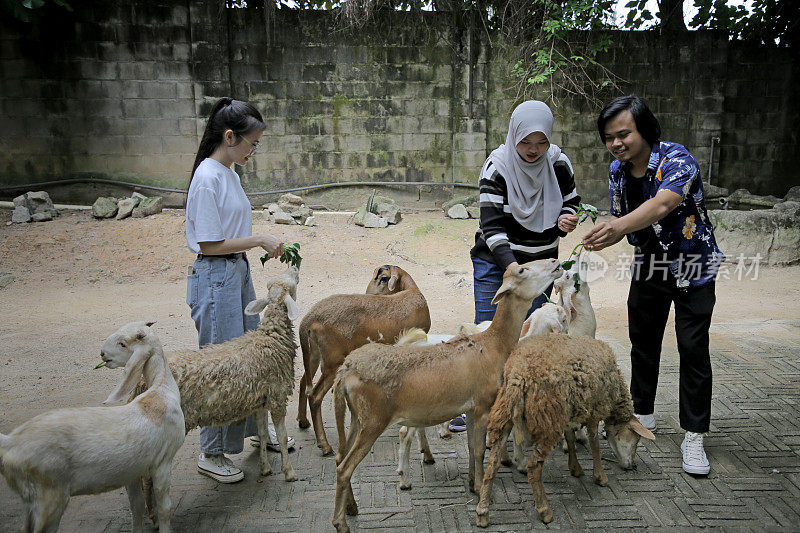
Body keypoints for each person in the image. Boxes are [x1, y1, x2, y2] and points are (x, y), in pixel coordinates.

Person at [583, 94, 723, 476]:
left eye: (623, 134)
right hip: (650, 264)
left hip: (694, 263)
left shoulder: (678, 159)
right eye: (609, 137)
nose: (616, 143)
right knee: (642, 341)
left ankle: (694, 435)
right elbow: (621, 218)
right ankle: (642, 412)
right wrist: (601, 237)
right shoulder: (617, 171)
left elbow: (662, 206)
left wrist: (617, 226)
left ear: (643, 129)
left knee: (693, 348)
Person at [450, 100, 581, 432]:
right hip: (498, 263)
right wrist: (516, 273)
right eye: (526, 142)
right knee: (488, 335)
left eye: (541, 142)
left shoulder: (559, 163)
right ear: (513, 136)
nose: (533, 150)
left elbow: (571, 202)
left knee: (530, 338)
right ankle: (471, 403)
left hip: (537, 268)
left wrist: (569, 219)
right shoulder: (497, 168)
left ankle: (521, 407)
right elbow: (492, 229)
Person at [185, 97, 295, 483]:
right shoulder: (207, 177)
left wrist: (255, 243)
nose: (253, 151)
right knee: (222, 367)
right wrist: (260, 238)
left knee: (250, 355)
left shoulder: (229, 172)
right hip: (216, 276)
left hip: (236, 272)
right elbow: (210, 243)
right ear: (229, 137)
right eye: (251, 144)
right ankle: (211, 451)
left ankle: (253, 431)